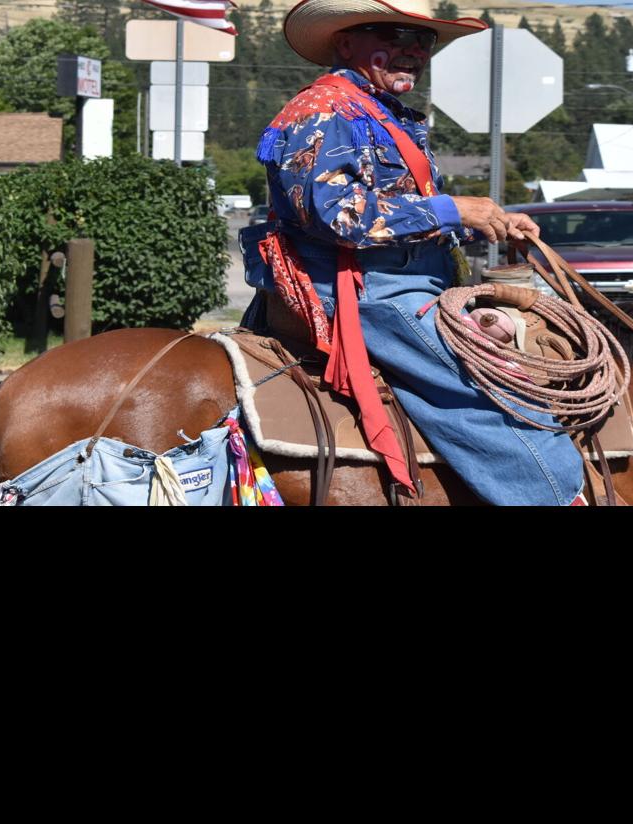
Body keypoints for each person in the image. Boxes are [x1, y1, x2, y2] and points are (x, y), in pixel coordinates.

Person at [240, 0, 585, 505]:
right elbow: (336, 214)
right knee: (486, 389)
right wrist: (451, 211)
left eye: (423, 40)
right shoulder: (322, 110)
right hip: (364, 288)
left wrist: (487, 224)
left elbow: (401, 215)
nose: (412, 50)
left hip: (405, 277)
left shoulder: (378, 111)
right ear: (345, 43)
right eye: (391, 35)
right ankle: (556, 497)